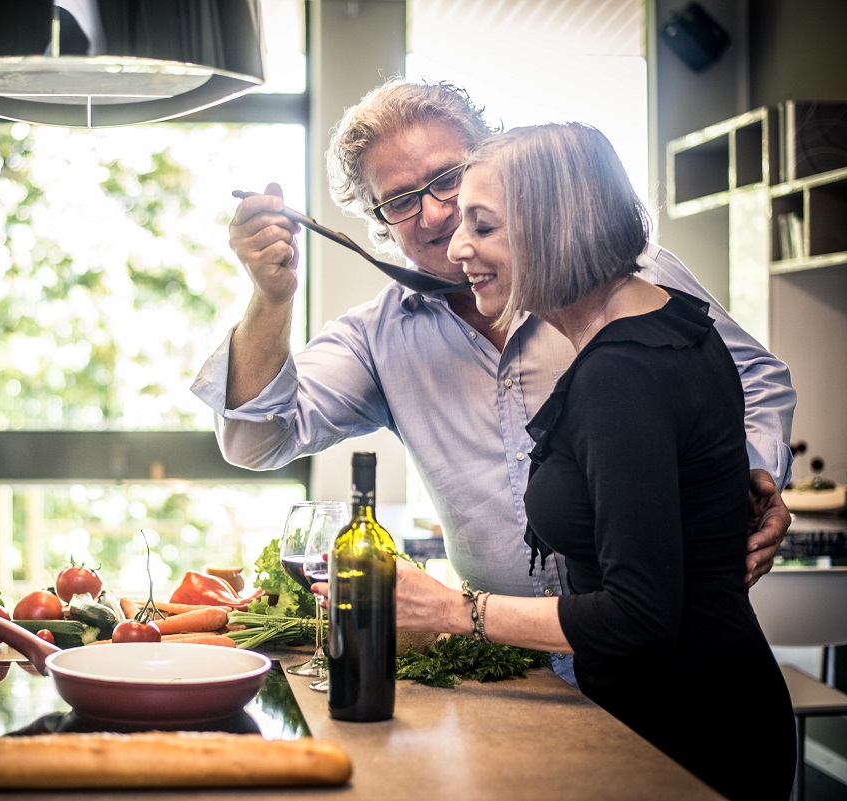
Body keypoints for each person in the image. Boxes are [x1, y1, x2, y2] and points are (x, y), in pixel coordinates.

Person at [190, 78, 795, 684]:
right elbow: (255, 440)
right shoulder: (376, 338)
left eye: (448, 178)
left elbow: (754, 379)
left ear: (489, 161)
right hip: (510, 664)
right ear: (378, 220)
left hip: (667, 663)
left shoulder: (621, 279)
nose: (433, 214)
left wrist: (730, 487)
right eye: (399, 200)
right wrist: (272, 299)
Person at [387, 121, 795, 801]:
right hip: (710, 708)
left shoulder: (619, 374)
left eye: (482, 227)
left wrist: (454, 609)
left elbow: (639, 615)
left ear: (552, 228)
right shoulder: (678, 321)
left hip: (683, 737)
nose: (458, 248)